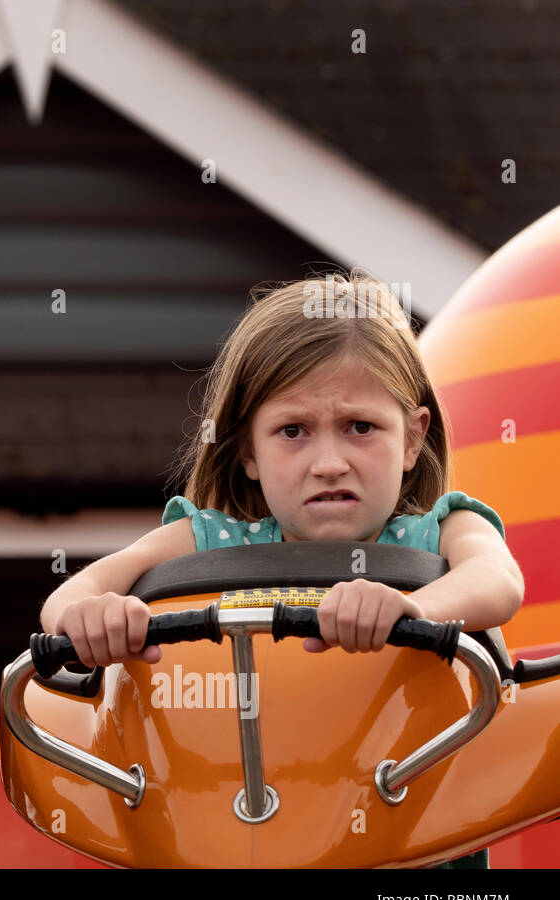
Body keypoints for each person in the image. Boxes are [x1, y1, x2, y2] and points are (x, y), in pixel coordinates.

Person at [40, 270, 525, 869]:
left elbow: (498, 581)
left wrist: (415, 609)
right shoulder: (209, 542)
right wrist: (95, 616)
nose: (328, 463)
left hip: (415, 838)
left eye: (360, 427)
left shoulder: (442, 531)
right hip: (237, 827)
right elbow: (74, 593)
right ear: (246, 449)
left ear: (411, 439)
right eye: (292, 431)